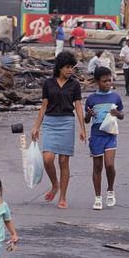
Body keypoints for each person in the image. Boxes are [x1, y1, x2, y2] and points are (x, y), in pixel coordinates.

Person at [31, 51, 86, 209]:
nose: (70, 70)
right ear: (60, 67)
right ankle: (55, 184)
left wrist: (82, 128)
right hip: (50, 122)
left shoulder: (74, 84)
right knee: (47, 158)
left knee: (63, 161)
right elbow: (44, 105)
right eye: (67, 67)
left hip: (67, 123)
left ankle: (62, 196)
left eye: (72, 67)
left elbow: (78, 106)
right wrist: (36, 126)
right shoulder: (48, 83)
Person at [84, 67, 124, 210]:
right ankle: (97, 197)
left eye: (110, 80)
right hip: (96, 135)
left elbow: (122, 115)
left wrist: (117, 113)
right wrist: (89, 114)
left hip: (110, 134)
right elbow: (87, 120)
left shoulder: (116, 97)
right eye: (104, 81)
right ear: (97, 82)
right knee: (97, 167)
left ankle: (110, 189)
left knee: (109, 165)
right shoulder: (91, 99)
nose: (108, 83)